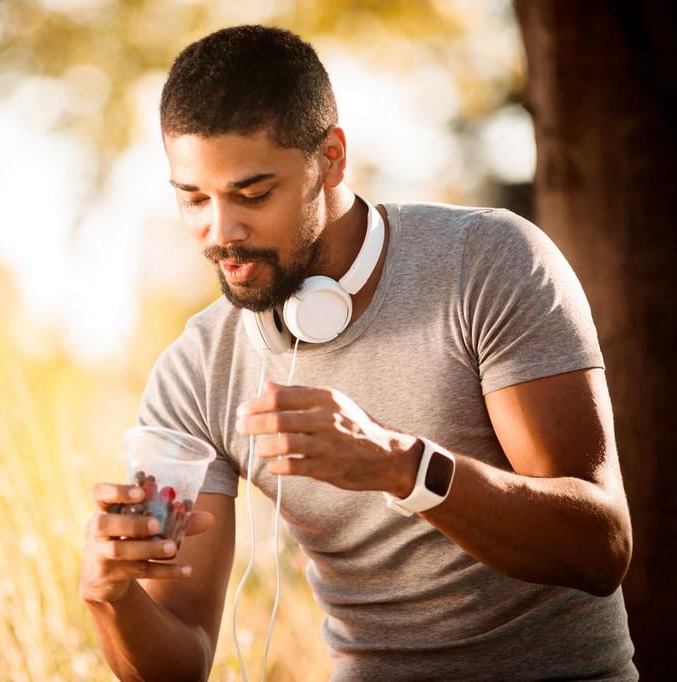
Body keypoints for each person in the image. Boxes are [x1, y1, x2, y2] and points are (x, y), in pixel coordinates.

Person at [79, 24, 636, 681]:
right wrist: (109, 598)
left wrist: (401, 465)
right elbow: (181, 664)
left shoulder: (490, 263)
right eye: (195, 199)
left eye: (253, 195)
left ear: (332, 159)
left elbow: (601, 547)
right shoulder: (197, 369)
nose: (221, 233)